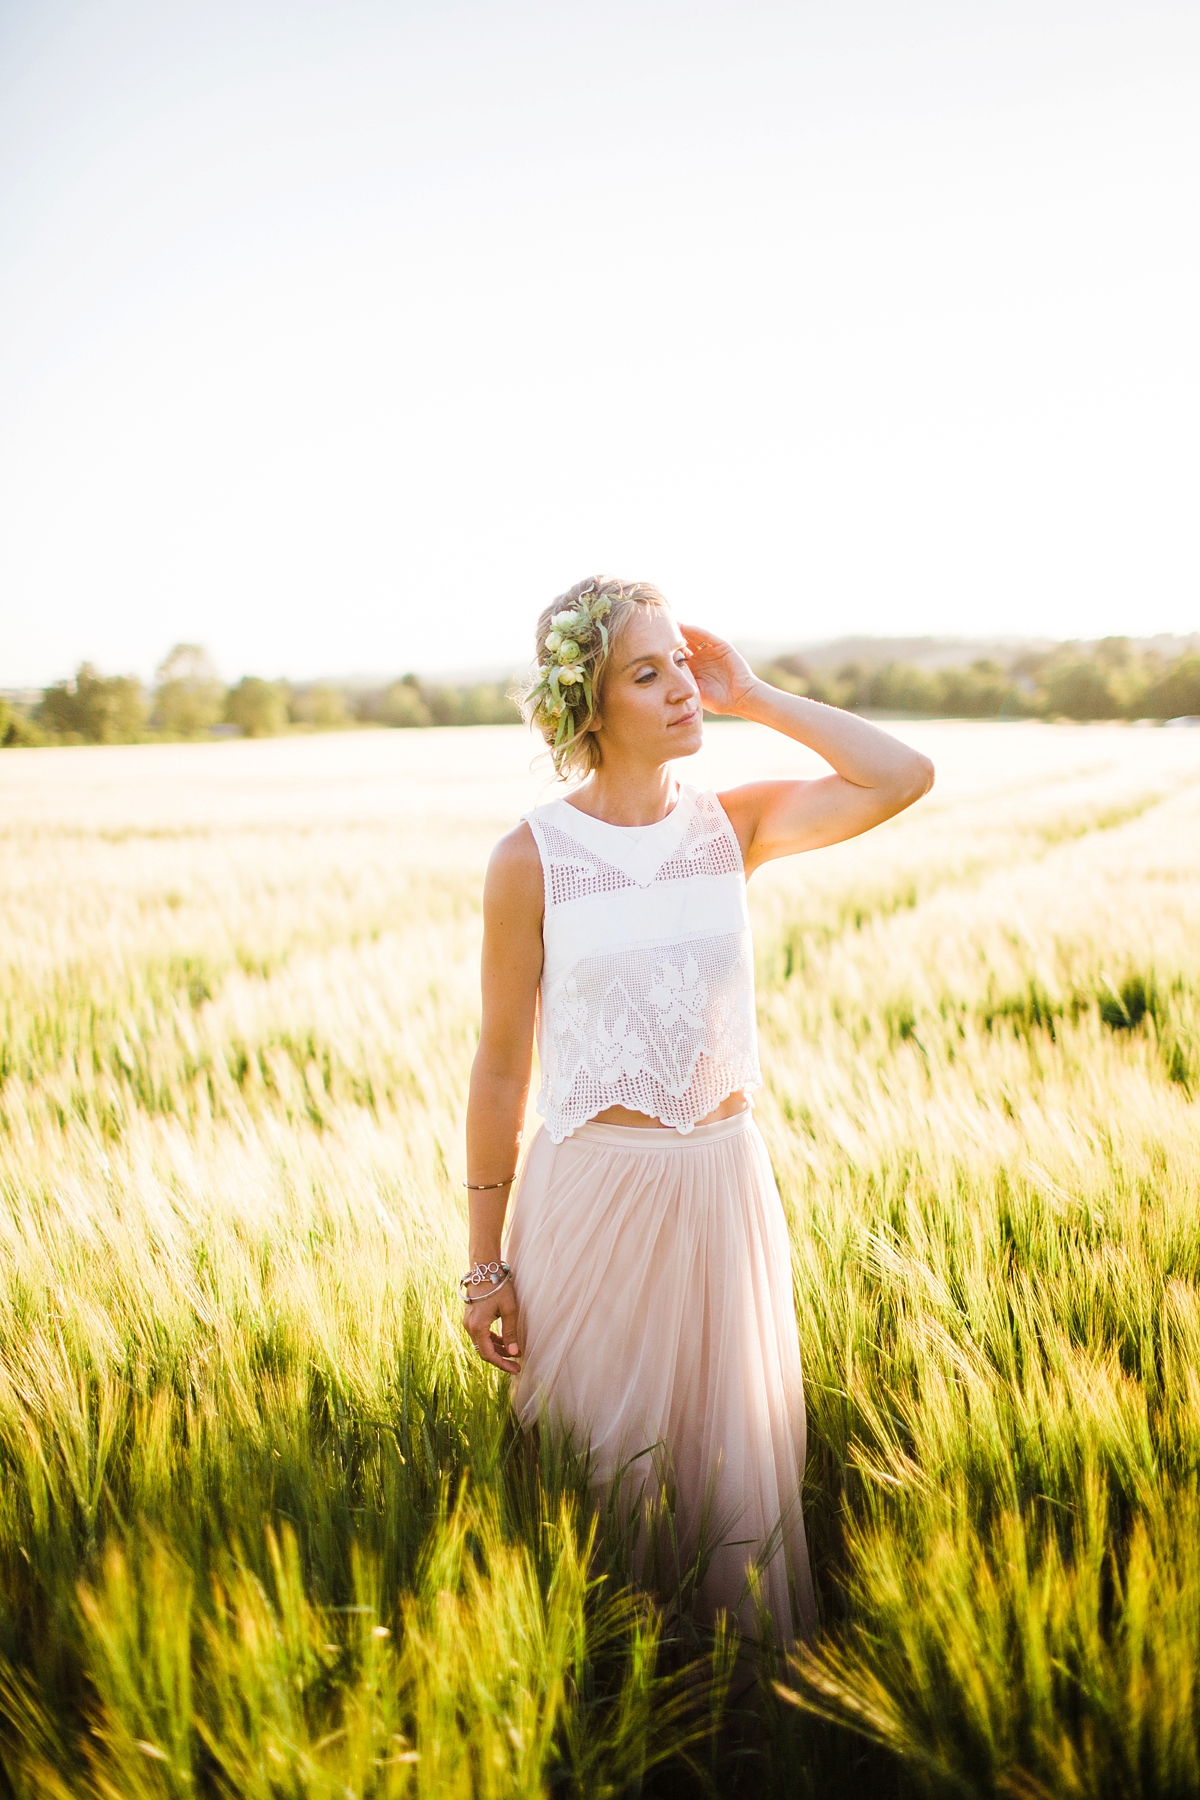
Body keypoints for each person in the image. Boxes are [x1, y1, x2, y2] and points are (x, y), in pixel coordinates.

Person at [461, 576, 934, 1647]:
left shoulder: (736, 826)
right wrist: (484, 1264)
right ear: (588, 704)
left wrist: (754, 694)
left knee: (729, 1495)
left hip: (725, 1189)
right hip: (591, 1206)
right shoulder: (529, 860)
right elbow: (499, 1070)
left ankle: (738, 1733)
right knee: (605, 1498)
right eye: (649, 671)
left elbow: (904, 776)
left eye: (683, 662)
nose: (682, 686)